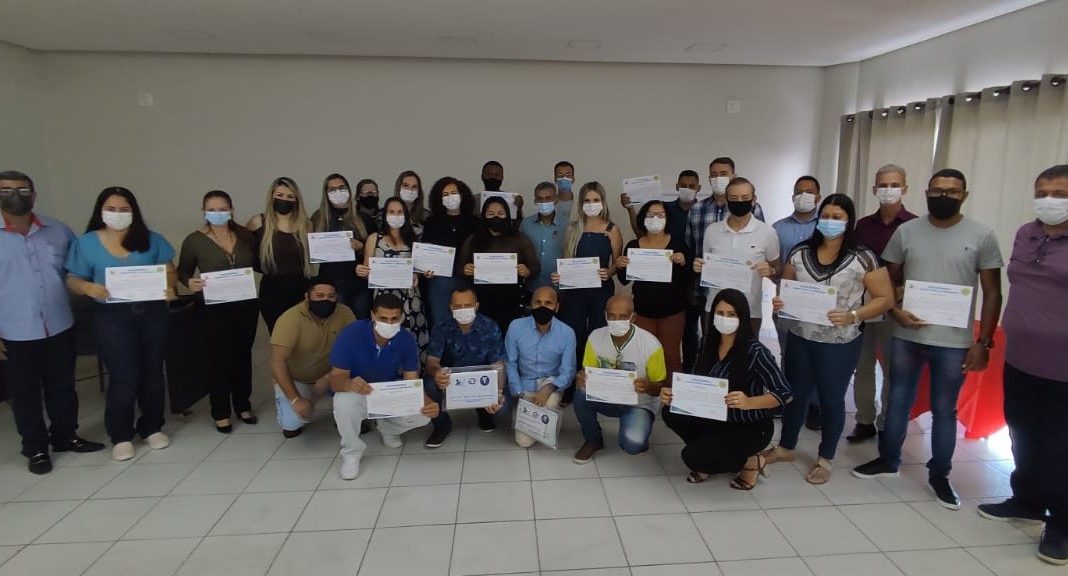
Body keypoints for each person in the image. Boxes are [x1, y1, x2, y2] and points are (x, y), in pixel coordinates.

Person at [854, 169, 1004, 511]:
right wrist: (896, 311)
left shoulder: (981, 235)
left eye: (952, 191)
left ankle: (940, 475)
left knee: (944, 409)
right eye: (937, 190)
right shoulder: (907, 232)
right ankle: (888, 460)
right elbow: (887, 280)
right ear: (925, 193)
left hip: (953, 341)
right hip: (907, 333)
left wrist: (983, 341)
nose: (943, 196)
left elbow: (993, 292)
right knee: (897, 399)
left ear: (964, 196)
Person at [762, 194, 895, 484]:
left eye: (838, 217)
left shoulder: (863, 257)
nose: (830, 222)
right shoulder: (800, 251)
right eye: (826, 216)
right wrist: (781, 301)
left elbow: (885, 298)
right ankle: (786, 447)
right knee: (794, 393)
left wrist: (854, 315)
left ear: (849, 221)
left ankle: (826, 458)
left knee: (831, 399)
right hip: (800, 335)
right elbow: (787, 287)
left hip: (839, 342)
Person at [978, 165, 1068, 566]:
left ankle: (1062, 524)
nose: (1049, 200)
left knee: (1060, 447)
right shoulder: (1026, 233)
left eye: (1060, 194)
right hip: (1021, 357)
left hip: (1063, 367)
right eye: (1042, 192)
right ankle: (1027, 500)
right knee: (1022, 433)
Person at [0, 170, 104, 474]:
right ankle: (35, 449)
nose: (15, 196)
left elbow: (78, 269)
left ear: (33, 195)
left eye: (22, 190)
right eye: (6, 190)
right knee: (24, 395)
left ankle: (65, 436)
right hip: (14, 332)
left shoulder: (58, 230)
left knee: (63, 387)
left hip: (59, 324)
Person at [66, 186, 176, 462]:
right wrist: (88, 288)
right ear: (101, 211)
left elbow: (169, 270)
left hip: (152, 313)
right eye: (111, 209)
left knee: (153, 373)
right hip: (112, 317)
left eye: (124, 209)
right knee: (123, 376)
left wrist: (170, 287)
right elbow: (73, 279)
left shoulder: (152, 239)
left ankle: (152, 426)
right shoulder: (86, 243)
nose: (118, 214)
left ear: (134, 211)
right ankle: (121, 434)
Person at [660, 289, 791, 489]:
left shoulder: (755, 351)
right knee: (670, 412)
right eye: (720, 313)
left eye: (731, 315)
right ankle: (710, 455)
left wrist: (749, 402)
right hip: (716, 417)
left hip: (749, 425)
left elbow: (784, 393)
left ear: (742, 318)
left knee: (691, 457)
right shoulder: (707, 344)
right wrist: (675, 395)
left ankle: (751, 462)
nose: (724, 319)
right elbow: (696, 382)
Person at [329, 293, 440, 480]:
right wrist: (349, 383)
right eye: (383, 318)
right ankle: (351, 452)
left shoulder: (405, 339)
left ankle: (388, 429)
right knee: (343, 402)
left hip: (387, 390)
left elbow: (411, 381)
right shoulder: (351, 334)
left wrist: (427, 401)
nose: (389, 323)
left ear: (402, 317)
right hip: (358, 390)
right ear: (373, 316)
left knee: (423, 414)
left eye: (394, 318)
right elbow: (335, 380)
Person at [177, 190, 260, 433]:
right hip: (213, 307)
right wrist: (189, 282)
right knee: (219, 357)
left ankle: (243, 404)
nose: (217, 213)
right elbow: (183, 271)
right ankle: (221, 411)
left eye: (222, 209)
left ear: (231, 210)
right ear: (204, 211)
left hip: (245, 303)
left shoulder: (245, 235)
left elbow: (259, 260)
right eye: (211, 209)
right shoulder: (194, 240)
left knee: (243, 354)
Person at [849, 164, 918, 442]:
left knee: (893, 368)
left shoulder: (914, 226)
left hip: (897, 308)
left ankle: (888, 421)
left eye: (894, 185)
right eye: (883, 185)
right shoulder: (863, 225)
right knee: (863, 365)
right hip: (865, 305)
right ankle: (864, 419)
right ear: (874, 189)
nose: (888, 190)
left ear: (905, 188)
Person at [572, 295, 667, 463]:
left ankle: (639, 434)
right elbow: (588, 371)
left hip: (639, 403)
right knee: (580, 393)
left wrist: (647, 386)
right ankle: (593, 440)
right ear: (605, 315)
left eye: (623, 317)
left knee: (633, 444)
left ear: (633, 317)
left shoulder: (651, 344)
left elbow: (659, 387)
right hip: (607, 396)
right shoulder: (595, 337)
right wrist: (582, 377)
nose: (616, 321)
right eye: (612, 316)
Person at [554, 182, 623, 404]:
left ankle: (597, 386)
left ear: (602, 202)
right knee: (572, 338)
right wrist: (560, 276)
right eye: (587, 200)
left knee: (598, 338)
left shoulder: (612, 229)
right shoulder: (572, 228)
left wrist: (608, 272)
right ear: (580, 203)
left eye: (595, 200)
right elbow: (566, 260)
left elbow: (617, 262)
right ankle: (569, 387)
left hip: (600, 293)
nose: (591, 204)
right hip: (574, 293)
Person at [693, 177, 780, 336]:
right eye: (734, 198)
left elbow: (776, 267)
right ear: (726, 200)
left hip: (750, 311)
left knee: (747, 351)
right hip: (715, 309)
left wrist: (771, 271)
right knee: (712, 350)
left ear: (753, 199)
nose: (739, 202)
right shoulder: (712, 230)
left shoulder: (767, 232)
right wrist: (699, 266)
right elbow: (706, 262)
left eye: (744, 197)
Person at [271, 277, 356, 438]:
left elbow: (355, 348)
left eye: (331, 296)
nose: (326, 300)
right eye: (319, 296)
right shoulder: (290, 319)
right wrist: (295, 400)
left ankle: (346, 413)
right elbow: (278, 362)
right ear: (307, 296)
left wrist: (332, 375)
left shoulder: (345, 313)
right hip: (299, 379)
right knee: (293, 422)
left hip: (333, 374)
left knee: (354, 412)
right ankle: (295, 402)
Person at [615, 200, 691, 376]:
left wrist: (684, 262)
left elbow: (688, 278)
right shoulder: (633, 246)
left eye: (660, 215)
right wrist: (620, 266)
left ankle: (670, 392)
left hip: (672, 313)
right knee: (644, 356)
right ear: (643, 218)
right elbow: (624, 280)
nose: (655, 218)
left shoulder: (678, 244)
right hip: (643, 312)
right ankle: (647, 391)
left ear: (667, 219)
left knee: (671, 357)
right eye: (651, 215)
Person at [424, 285, 506, 446]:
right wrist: (437, 372)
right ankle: (442, 425)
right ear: (451, 307)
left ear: (476, 306)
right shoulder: (441, 327)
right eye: (458, 306)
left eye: (468, 305)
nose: (463, 310)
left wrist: (498, 392)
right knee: (429, 384)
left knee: (503, 404)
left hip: (482, 379)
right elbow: (431, 362)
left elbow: (498, 364)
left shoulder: (490, 327)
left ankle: (484, 413)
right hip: (450, 379)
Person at [771, 175, 823, 430]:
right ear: (792, 196)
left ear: (818, 197)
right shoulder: (778, 228)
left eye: (809, 191)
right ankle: (787, 399)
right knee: (789, 353)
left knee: (816, 355)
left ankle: (814, 406)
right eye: (799, 191)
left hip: (820, 304)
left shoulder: (827, 226)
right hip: (787, 301)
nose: (804, 196)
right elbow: (773, 265)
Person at [356, 197, 431, 361]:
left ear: (406, 215)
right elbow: (366, 269)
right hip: (384, 298)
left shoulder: (414, 240)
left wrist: (420, 274)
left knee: (412, 341)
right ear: (385, 215)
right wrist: (360, 270)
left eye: (399, 212)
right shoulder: (374, 238)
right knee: (385, 338)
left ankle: (413, 374)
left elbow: (419, 269)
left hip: (410, 299)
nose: (395, 216)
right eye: (391, 212)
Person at [504, 287, 577, 448]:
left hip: (551, 381)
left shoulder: (567, 333)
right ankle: (524, 409)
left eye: (548, 303)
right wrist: (518, 392)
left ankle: (548, 409)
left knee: (549, 402)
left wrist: (549, 388)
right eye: (538, 302)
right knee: (523, 442)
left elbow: (568, 371)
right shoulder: (515, 327)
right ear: (531, 304)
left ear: (556, 307)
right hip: (525, 383)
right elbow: (510, 362)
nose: (542, 307)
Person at [458, 197, 541, 334]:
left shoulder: (519, 238)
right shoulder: (474, 239)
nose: (496, 217)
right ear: (483, 216)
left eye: (500, 214)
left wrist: (527, 271)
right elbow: (459, 267)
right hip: (482, 300)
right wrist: (465, 270)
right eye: (490, 214)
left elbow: (535, 267)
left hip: (511, 300)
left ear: (507, 215)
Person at [247, 176, 314, 334]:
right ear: (271, 197)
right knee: (278, 336)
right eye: (280, 195)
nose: (285, 200)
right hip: (272, 290)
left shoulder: (306, 225)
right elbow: (243, 252)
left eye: (290, 196)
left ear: (297, 200)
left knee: (302, 336)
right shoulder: (258, 222)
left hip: (301, 288)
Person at [311, 173, 373, 318]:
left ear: (349, 191)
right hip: (330, 284)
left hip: (359, 285)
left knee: (360, 323)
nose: (338, 192)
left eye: (341, 188)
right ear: (326, 194)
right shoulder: (318, 218)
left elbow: (377, 249)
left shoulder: (364, 219)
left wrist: (361, 248)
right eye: (332, 189)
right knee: (336, 324)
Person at [421, 177, 479, 329]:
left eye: (453, 193)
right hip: (440, 279)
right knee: (439, 320)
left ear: (462, 195)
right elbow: (425, 251)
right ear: (439, 199)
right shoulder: (432, 222)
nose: (450, 197)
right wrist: (426, 269)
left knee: (466, 321)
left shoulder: (474, 222)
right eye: (445, 194)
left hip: (467, 278)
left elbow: (481, 249)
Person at [622, 170, 699, 243]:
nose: (687, 189)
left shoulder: (703, 212)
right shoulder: (663, 210)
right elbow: (641, 234)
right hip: (666, 252)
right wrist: (630, 208)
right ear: (677, 186)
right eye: (683, 186)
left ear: (698, 188)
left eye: (691, 186)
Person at [520, 181, 569, 292]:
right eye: (540, 199)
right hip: (531, 287)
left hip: (558, 288)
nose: (544, 202)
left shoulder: (567, 225)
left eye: (548, 198)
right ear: (535, 201)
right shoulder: (526, 224)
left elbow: (571, 255)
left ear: (556, 199)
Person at [394, 170, 430, 238]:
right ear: (398, 188)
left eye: (414, 187)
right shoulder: (384, 214)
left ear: (419, 191)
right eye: (405, 185)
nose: (410, 190)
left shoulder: (426, 216)